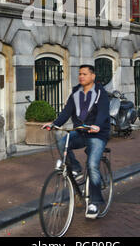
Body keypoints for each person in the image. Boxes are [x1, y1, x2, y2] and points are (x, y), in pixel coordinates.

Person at [43, 64, 110, 219]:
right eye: (80, 74)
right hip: (81, 132)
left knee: (93, 165)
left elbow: (103, 112)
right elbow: (67, 111)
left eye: (84, 74)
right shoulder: (75, 92)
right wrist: (55, 124)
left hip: (97, 134)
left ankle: (94, 202)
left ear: (93, 76)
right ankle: (76, 169)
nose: (81, 76)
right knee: (62, 141)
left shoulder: (101, 93)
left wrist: (98, 126)